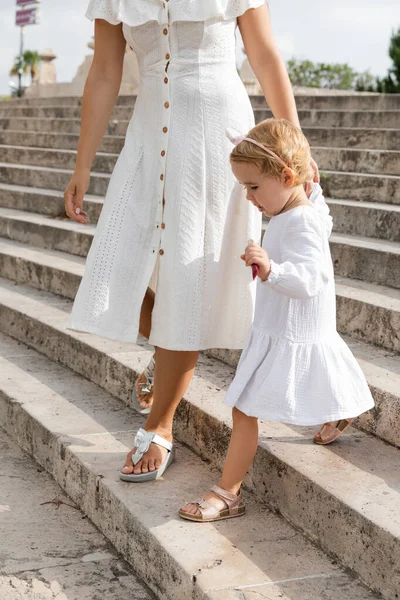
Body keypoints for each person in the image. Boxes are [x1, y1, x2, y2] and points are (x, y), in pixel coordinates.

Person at [64, 0, 318, 482]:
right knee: (118, 267)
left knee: (187, 274)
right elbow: (104, 71)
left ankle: (160, 423)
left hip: (213, 141)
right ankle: (167, 352)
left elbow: (263, 54)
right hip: (147, 137)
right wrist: (82, 165)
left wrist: (297, 149)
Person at [179, 119, 375, 522]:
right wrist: (311, 186)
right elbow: (322, 210)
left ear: (287, 176)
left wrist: (271, 270)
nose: (249, 197)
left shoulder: (299, 220)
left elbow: (312, 277)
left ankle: (228, 492)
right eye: (245, 188)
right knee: (271, 392)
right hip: (287, 325)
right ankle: (339, 408)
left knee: (244, 407)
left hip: (289, 327)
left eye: (253, 186)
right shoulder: (303, 206)